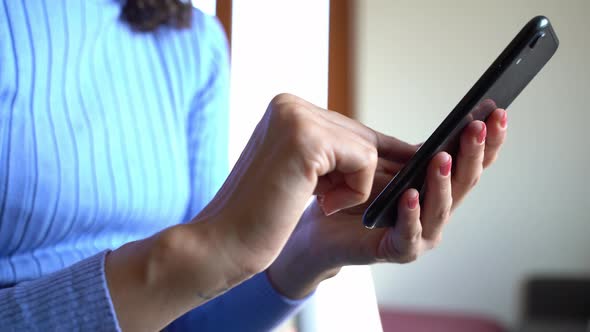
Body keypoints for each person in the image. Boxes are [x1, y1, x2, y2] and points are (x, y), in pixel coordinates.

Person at [0, 1, 508, 331]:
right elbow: (182, 271)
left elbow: (188, 318)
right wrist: (185, 258)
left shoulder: (191, 43)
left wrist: (308, 250)